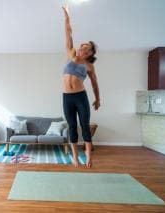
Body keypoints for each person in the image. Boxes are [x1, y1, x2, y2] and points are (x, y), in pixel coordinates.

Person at [62, 5, 100, 168]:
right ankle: (75, 157)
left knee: (84, 125)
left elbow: (94, 83)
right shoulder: (71, 54)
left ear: (90, 52)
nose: (81, 46)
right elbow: (69, 33)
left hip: (80, 97)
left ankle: (89, 156)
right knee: (72, 126)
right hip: (67, 97)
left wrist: (98, 99)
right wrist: (67, 17)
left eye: (85, 46)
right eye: (81, 44)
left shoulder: (89, 66)